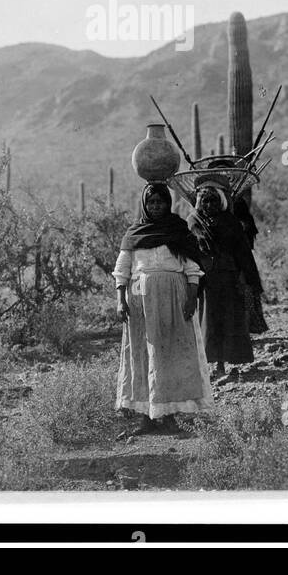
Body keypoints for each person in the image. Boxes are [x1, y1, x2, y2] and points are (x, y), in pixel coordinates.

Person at [114, 182, 214, 434]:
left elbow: (192, 269)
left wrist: (191, 297)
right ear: (144, 205)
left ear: (168, 203)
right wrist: (120, 299)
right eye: (151, 202)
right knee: (143, 354)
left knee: (169, 353)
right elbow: (122, 270)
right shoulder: (134, 234)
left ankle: (168, 414)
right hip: (141, 303)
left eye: (160, 201)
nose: (155, 206)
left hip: (173, 299)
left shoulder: (178, 231)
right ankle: (146, 417)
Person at [190, 185, 264, 377]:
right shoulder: (193, 221)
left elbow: (243, 252)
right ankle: (213, 364)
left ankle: (227, 362)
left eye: (213, 200)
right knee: (209, 320)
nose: (209, 204)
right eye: (205, 200)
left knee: (229, 319)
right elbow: (190, 252)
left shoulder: (231, 222)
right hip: (207, 280)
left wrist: (245, 277)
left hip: (229, 278)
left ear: (221, 202)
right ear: (199, 203)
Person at [233, 195, 269, 335]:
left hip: (241, 262)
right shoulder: (246, 220)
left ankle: (244, 330)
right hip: (245, 262)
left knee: (244, 292)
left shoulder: (240, 222)